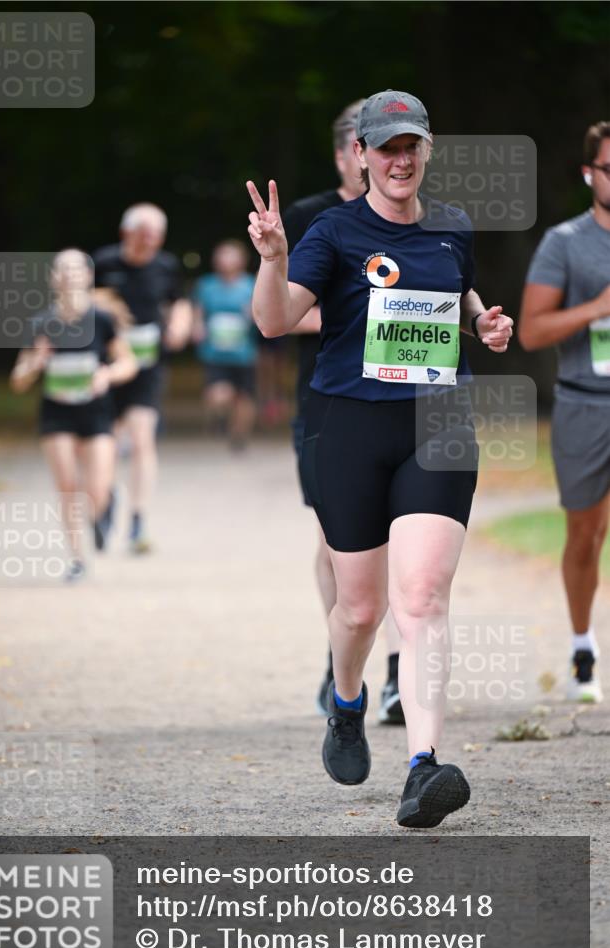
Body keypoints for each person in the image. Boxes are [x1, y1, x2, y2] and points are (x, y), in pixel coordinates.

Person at [246, 89, 513, 828]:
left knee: (421, 596)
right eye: (386, 146)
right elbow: (272, 321)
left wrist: (482, 322)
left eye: (412, 146)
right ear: (359, 155)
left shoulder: (454, 226)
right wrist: (273, 259)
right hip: (349, 427)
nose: (400, 159)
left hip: (437, 422)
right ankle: (346, 700)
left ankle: (424, 767)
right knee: (358, 609)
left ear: (426, 151)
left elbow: (457, 292)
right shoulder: (331, 232)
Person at [283, 99, 404, 723]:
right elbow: (278, 317)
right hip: (327, 400)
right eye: (371, 145)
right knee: (339, 541)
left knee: (408, 540)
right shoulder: (309, 217)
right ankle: (342, 657)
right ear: (345, 153)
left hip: (406, 401)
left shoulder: (417, 218)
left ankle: (396, 676)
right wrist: (358, 315)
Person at [519, 121, 610, 704]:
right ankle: (582, 643)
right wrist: (598, 306)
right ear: (589, 173)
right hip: (586, 402)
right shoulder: (565, 242)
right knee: (585, 536)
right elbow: (530, 331)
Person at [9, 249, 137, 582]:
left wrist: (106, 375)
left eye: (75, 268)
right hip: (57, 414)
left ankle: (107, 500)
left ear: (87, 276)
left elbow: (128, 363)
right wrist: (34, 365)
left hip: (96, 413)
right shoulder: (41, 323)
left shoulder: (101, 320)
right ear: (54, 278)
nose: (68, 274)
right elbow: (18, 380)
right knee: (67, 486)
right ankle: (78, 558)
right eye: (61, 269)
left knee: (94, 489)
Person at [93, 203, 191, 553]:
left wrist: (180, 324)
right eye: (143, 236)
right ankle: (104, 503)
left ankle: (137, 518)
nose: (149, 243)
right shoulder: (103, 263)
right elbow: (84, 302)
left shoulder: (165, 266)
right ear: (126, 234)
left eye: (156, 237)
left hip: (148, 366)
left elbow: (178, 301)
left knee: (141, 436)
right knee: (106, 441)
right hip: (107, 366)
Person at [192, 239, 257, 450]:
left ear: (241, 260)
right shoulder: (206, 285)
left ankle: (239, 436)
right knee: (220, 393)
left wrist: (254, 314)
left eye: (231, 256)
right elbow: (198, 312)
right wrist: (197, 326)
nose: (226, 261)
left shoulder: (251, 284)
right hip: (214, 351)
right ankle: (219, 418)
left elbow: (263, 312)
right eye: (222, 256)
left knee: (244, 397)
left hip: (244, 351)